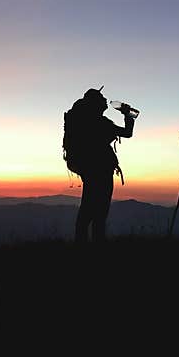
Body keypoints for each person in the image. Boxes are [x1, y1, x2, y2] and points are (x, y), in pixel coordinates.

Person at [64, 88, 135, 243]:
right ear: (95, 104)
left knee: (88, 206)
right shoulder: (99, 122)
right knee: (100, 209)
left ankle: (82, 241)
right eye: (102, 99)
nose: (105, 101)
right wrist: (127, 115)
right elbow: (127, 133)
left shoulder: (82, 121)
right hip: (101, 169)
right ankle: (97, 243)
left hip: (88, 169)